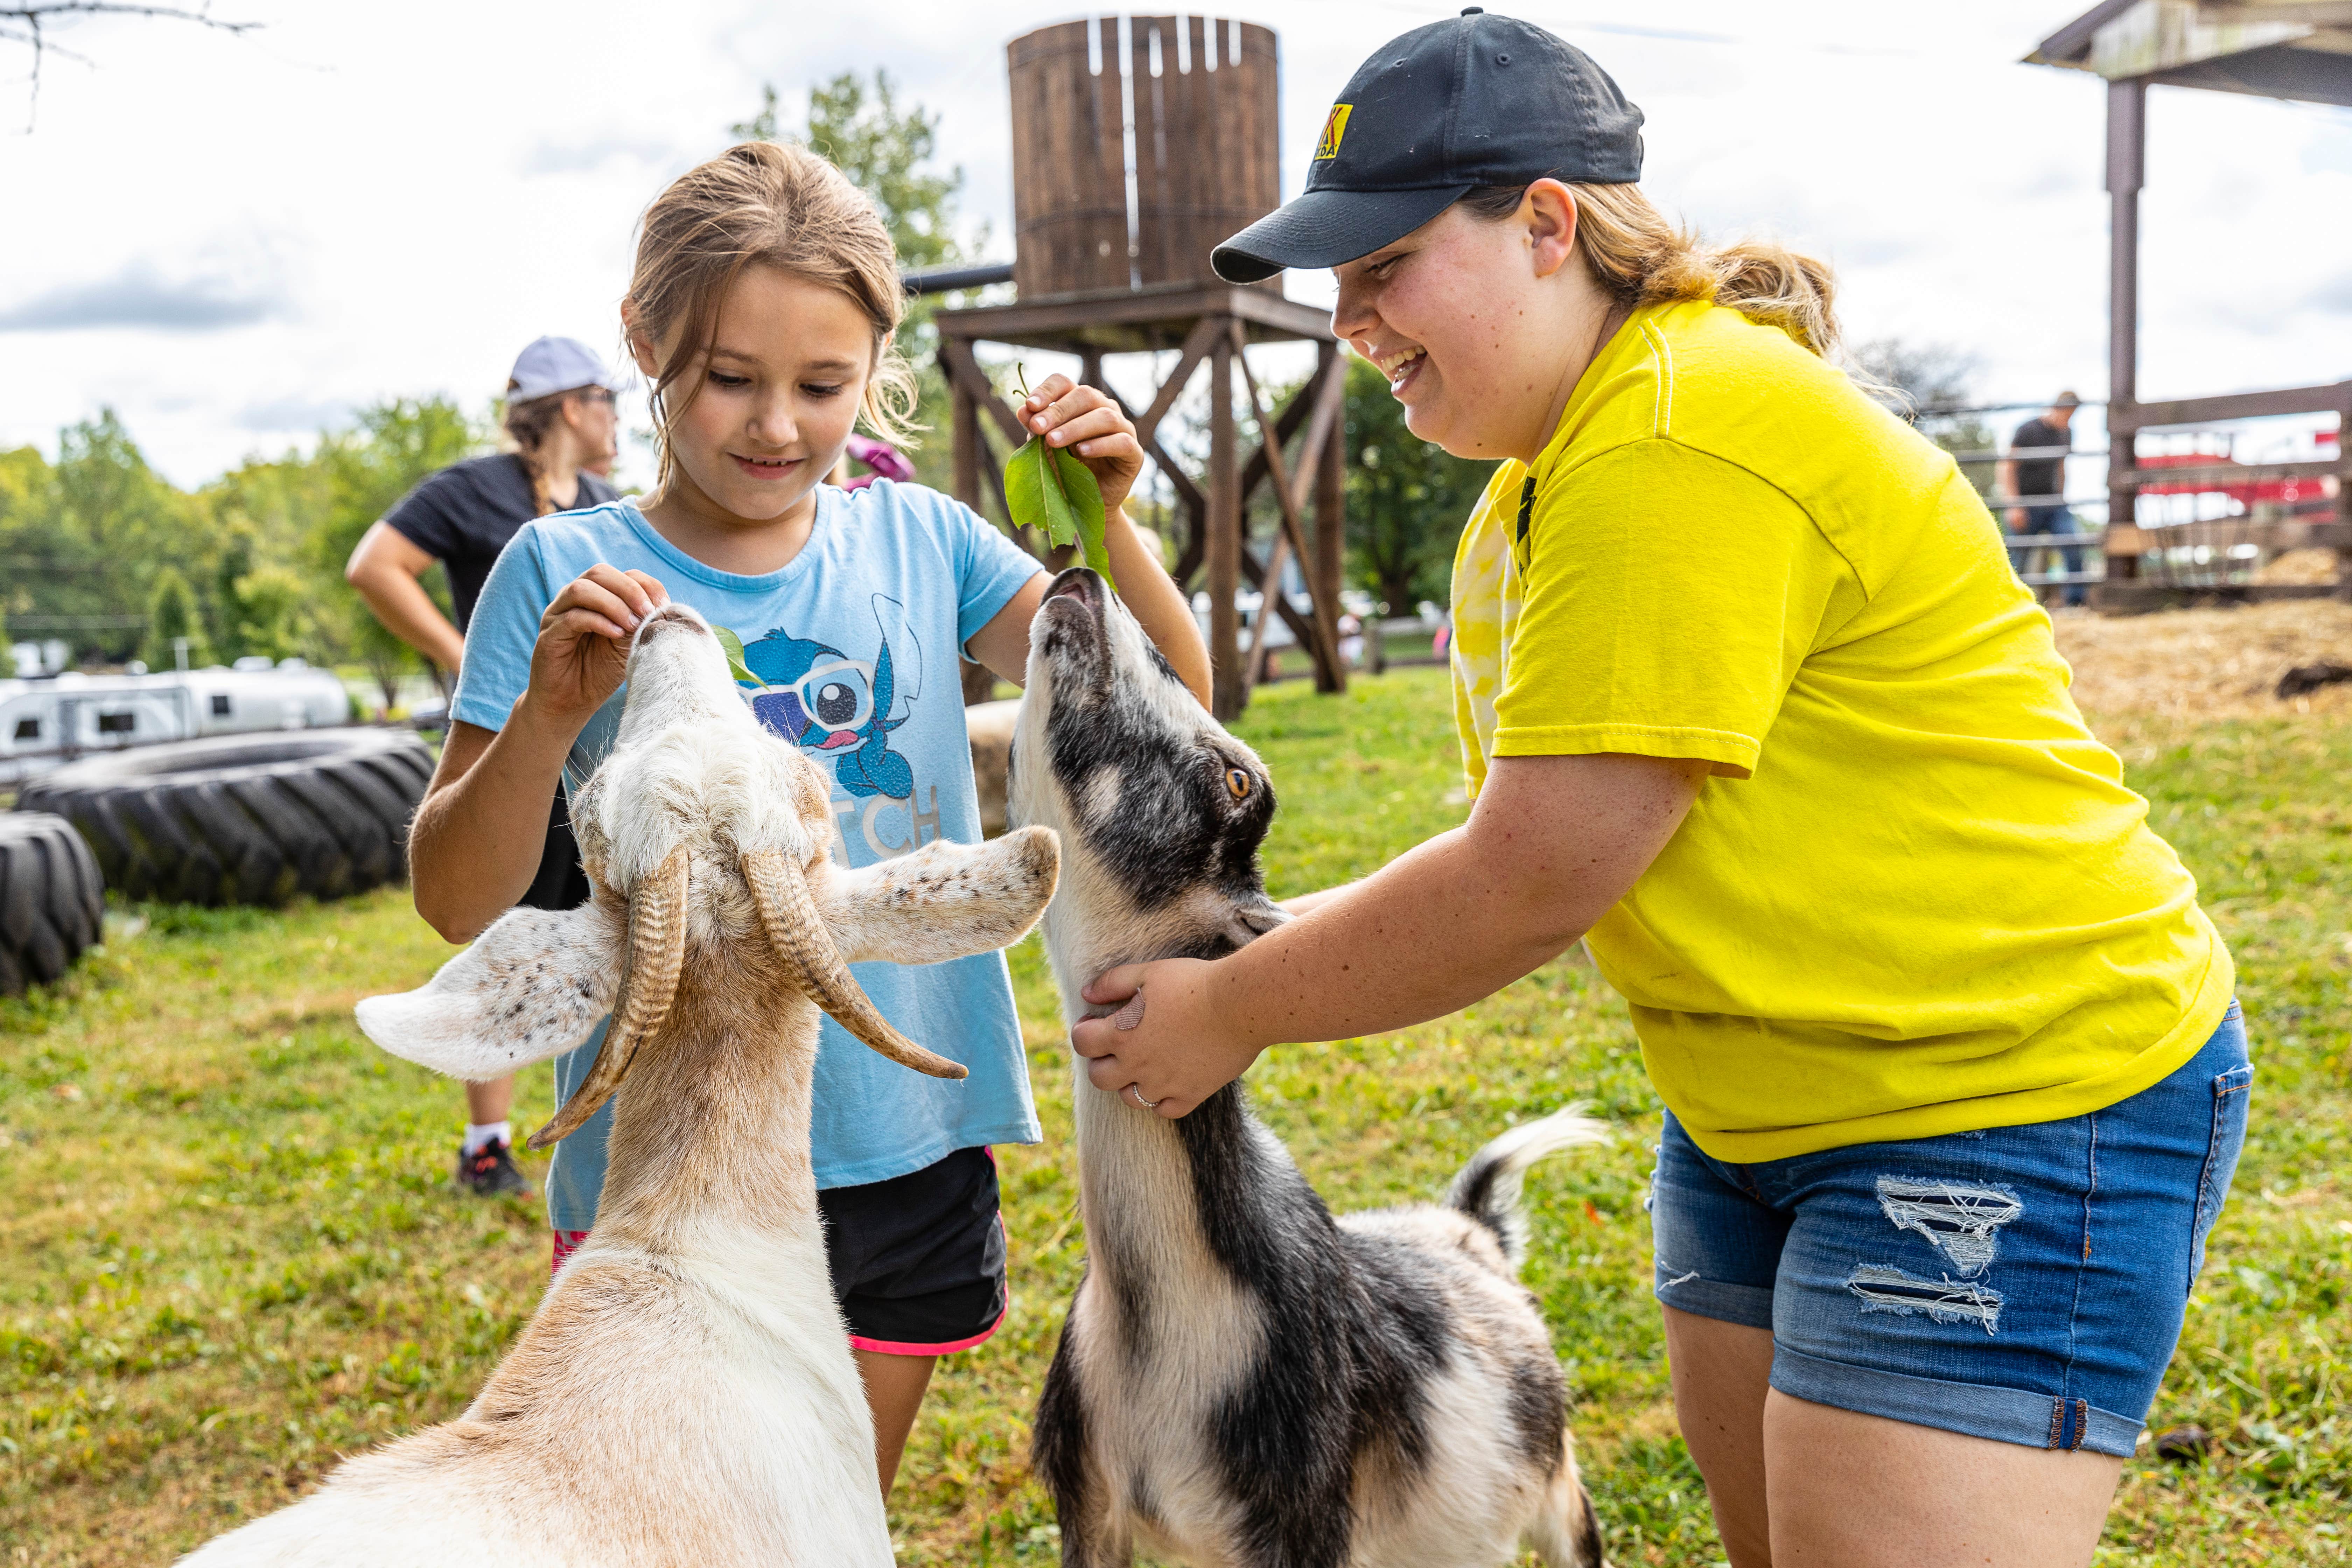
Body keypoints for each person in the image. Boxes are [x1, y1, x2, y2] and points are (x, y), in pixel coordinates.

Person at [1072, 14, 2248, 1568]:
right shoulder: (1536, 484)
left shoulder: (1671, 439)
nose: (1347, 318)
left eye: (1385, 264)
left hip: (2000, 1092)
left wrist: (1231, 1004)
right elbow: (1522, 849)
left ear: (1544, 224)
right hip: (1759, 1106)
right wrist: (1243, 959)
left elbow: (1530, 877)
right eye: (1337, 279)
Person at [402, 140, 1210, 1494]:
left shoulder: (926, 544)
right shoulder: (559, 569)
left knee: (828, 1509)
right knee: (671, 1514)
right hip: (668, 1172)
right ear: (646, 342)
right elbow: (450, 899)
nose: (776, 425)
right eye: (731, 378)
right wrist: (543, 718)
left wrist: (1109, 524)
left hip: (902, 1145)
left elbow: (1167, 709)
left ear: (875, 367)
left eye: (823, 386)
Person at [346, 336, 625, 1197]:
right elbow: (374, 565)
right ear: (573, 406)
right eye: (609, 398)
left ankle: (610, 1114)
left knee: (597, 930)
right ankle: (487, 1144)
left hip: (593, 761)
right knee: (506, 937)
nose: (619, 416)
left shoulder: (606, 504)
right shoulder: (475, 488)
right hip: (507, 749)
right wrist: (467, 656)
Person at [2001, 392, 2085, 608]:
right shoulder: (2028, 430)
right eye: (2068, 415)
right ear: (2057, 408)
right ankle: (2008, 605)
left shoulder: (2066, 433)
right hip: (2025, 504)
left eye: (2073, 416)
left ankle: (2076, 603)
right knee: (2017, 557)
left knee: (2073, 543)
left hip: (2054, 504)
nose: (2069, 421)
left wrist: (2062, 498)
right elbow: (2007, 467)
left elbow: (2061, 467)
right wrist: (2014, 505)